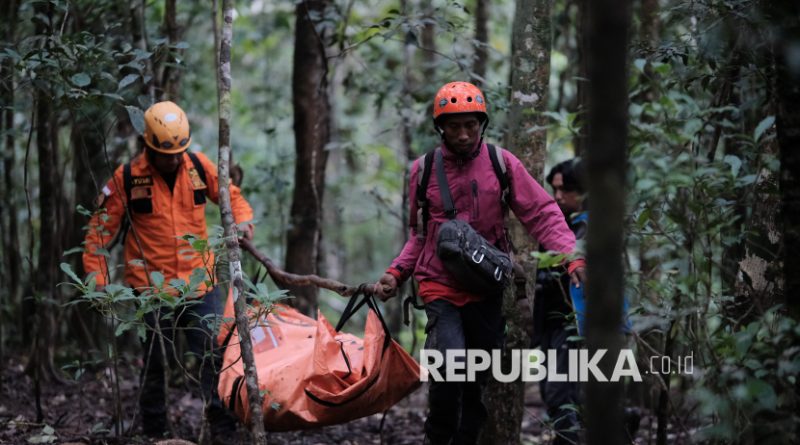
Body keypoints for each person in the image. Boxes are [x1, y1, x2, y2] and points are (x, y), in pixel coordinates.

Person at [373, 81, 586, 445]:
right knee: (448, 366)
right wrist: (396, 272)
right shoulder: (422, 171)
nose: (463, 134)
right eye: (454, 126)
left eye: (470, 124)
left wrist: (572, 258)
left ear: (482, 124)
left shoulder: (502, 164)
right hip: (440, 285)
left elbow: (542, 213)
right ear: (441, 128)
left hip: (487, 286)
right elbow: (419, 236)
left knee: (475, 384)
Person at [82, 101, 254, 441]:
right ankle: (155, 430)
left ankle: (222, 429)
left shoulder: (199, 167)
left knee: (213, 355)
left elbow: (232, 197)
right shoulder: (128, 177)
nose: (173, 159)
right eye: (166, 154)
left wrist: (243, 223)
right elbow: (99, 231)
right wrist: (97, 280)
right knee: (155, 364)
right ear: (148, 145)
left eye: (179, 152)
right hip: (150, 289)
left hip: (199, 284)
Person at [535, 158, 587, 445]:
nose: (558, 196)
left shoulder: (591, 228)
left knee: (560, 391)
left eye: (565, 189)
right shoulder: (552, 226)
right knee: (552, 390)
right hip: (549, 321)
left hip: (575, 322)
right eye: (554, 189)